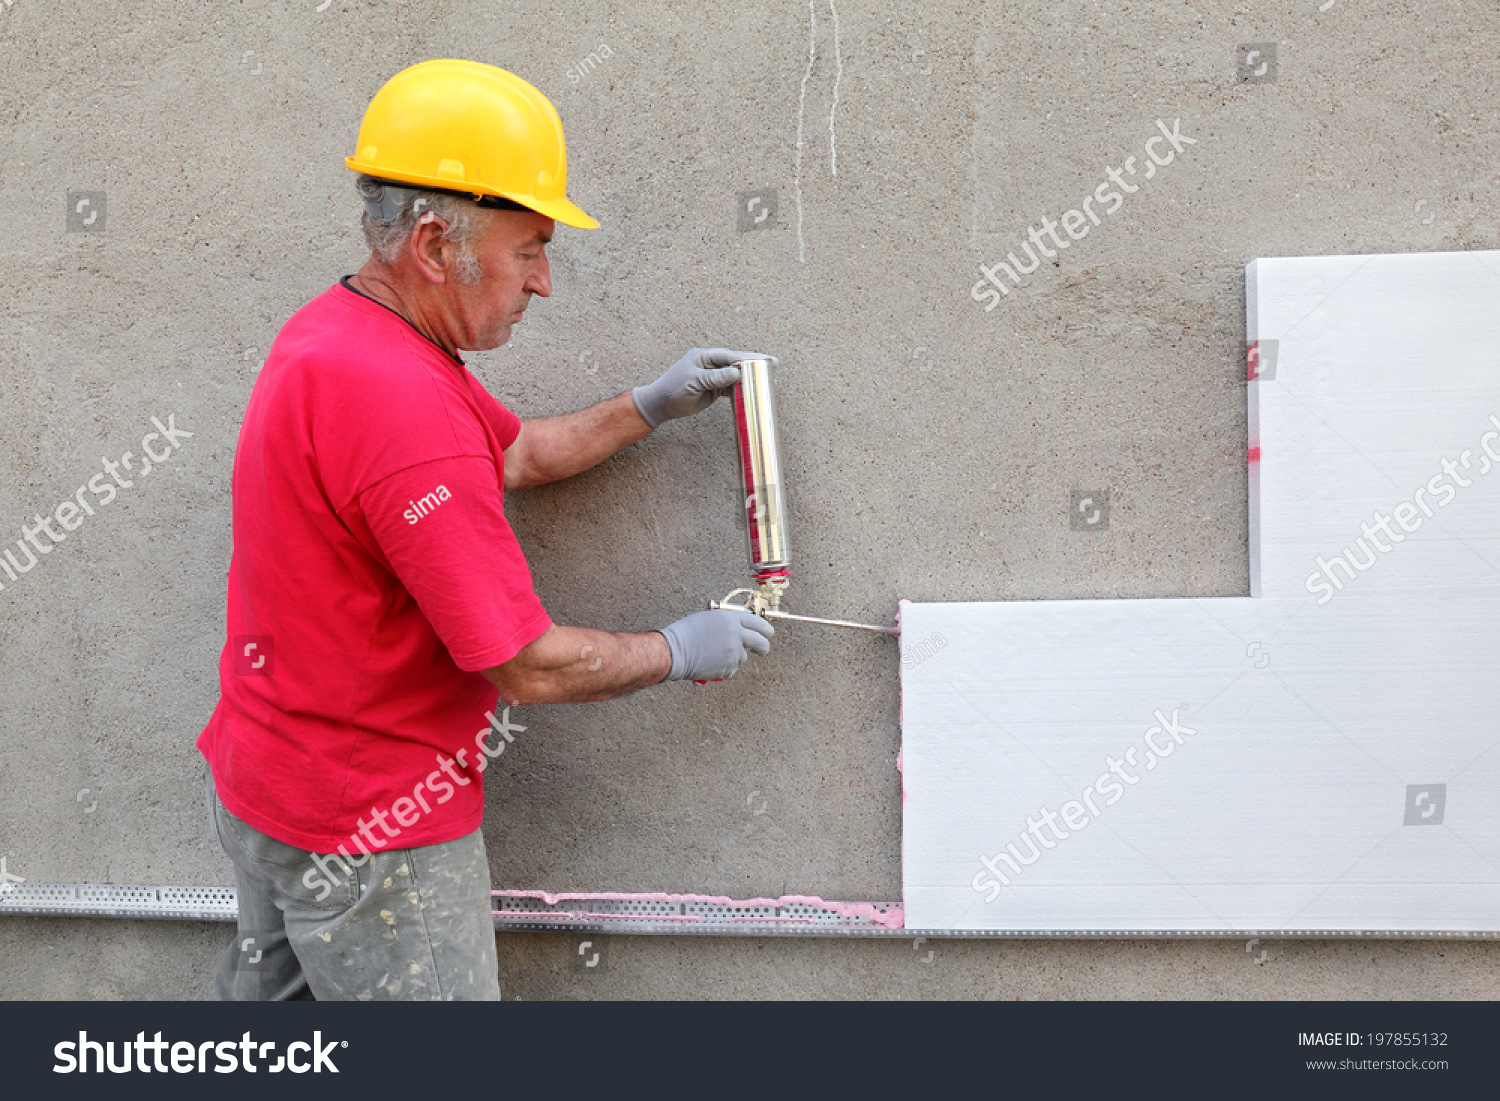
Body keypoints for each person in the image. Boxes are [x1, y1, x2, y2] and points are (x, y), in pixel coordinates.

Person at [197, 59, 775, 1000]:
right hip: (374, 833)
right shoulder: (405, 407)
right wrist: (676, 649)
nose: (544, 283)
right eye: (531, 249)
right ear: (434, 243)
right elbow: (527, 663)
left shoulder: (337, 333)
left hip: (269, 787)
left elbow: (509, 454)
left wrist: (647, 405)